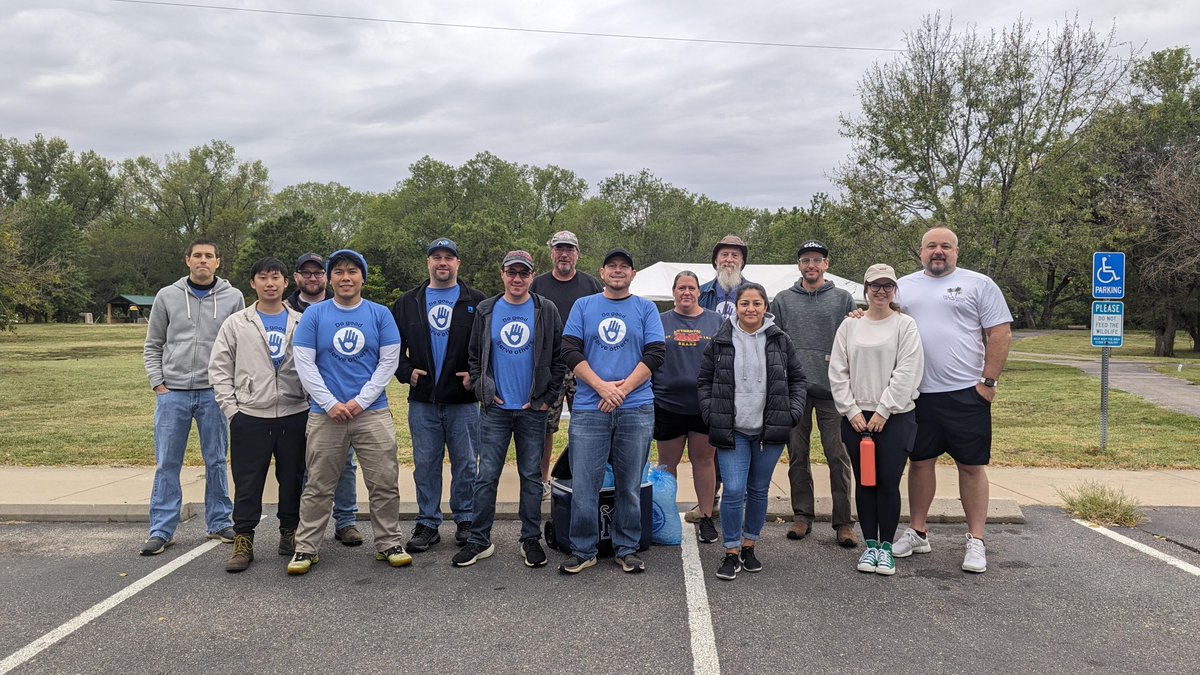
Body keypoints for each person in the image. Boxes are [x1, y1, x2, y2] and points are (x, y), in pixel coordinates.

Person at [892, 227, 1013, 574]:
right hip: (918, 393)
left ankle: (976, 539)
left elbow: (1000, 332)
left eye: (946, 246)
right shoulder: (904, 286)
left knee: (971, 466)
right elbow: (882, 316)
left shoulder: (979, 284)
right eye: (931, 246)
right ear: (921, 252)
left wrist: (988, 381)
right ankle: (918, 531)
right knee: (920, 462)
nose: (938, 251)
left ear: (957, 252)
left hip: (966, 392)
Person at [288, 249, 410, 575]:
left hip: (372, 412)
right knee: (318, 485)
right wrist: (330, 402)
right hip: (325, 414)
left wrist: (360, 401)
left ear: (362, 278)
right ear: (330, 278)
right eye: (338, 271)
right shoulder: (314, 316)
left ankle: (389, 543)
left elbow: (388, 362)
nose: (345, 277)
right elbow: (304, 362)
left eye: (352, 271)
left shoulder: (380, 314)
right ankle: (306, 548)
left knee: (384, 482)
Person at [558, 248, 665, 575]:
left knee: (629, 483)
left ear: (633, 275)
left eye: (625, 267)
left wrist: (621, 390)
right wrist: (602, 387)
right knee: (585, 484)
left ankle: (627, 547)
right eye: (612, 266)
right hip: (591, 408)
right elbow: (569, 350)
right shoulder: (584, 306)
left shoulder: (646, 308)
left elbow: (656, 354)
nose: (618, 271)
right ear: (602, 273)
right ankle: (583, 549)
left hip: (635, 408)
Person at [459, 251, 566, 568]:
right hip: (496, 410)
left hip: (532, 409)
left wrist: (545, 398)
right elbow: (475, 356)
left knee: (531, 477)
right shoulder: (486, 310)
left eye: (524, 273)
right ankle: (479, 540)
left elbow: (559, 359)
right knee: (486, 476)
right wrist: (484, 391)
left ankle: (529, 539)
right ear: (502, 274)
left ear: (532, 276)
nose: (517, 278)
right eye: (511, 272)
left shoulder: (545, 310)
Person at [140, 239, 244, 555]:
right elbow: (153, 343)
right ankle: (161, 529)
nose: (202, 260)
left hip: (214, 393)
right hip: (173, 394)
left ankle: (219, 522)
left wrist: (230, 387)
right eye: (197, 255)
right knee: (168, 463)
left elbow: (241, 344)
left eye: (208, 256)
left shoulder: (233, 297)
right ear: (187, 260)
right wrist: (158, 383)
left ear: (217, 262)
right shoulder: (167, 296)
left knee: (215, 460)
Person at [698, 283, 806, 581]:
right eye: (745, 303)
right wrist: (711, 413)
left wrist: (791, 413)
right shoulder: (721, 339)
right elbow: (704, 380)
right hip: (733, 429)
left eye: (757, 303)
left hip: (769, 429)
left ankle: (749, 545)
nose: (750, 309)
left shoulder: (780, 340)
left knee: (758, 490)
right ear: (737, 306)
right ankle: (731, 551)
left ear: (765, 307)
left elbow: (798, 380)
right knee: (733, 490)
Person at [209, 257, 309, 572]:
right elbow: (219, 368)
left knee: (292, 479)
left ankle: (289, 533)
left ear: (286, 283)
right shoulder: (237, 322)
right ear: (253, 283)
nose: (269, 283)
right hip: (250, 415)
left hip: (295, 412)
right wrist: (232, 410)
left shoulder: (301, 320)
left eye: (275, 277)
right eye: (263, 278)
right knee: (248, 481)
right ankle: (244, 540)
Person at [828, 264, 924, 576]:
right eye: (874, 285)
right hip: (856, 418)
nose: (880, 291)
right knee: (865, 482)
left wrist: (884, 410)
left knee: (887, 483)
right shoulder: (850, 326)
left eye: (887, 285)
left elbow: (908, 369)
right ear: (866, 288)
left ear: (894, 290)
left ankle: (887, 548)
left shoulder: (905, 325)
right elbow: (838, 371)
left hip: (895, 417)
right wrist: (852, 410)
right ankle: (870, 547)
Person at [394, 238, 485, 552]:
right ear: (428, 263)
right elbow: (392, 349)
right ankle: (428, 522)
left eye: (449, 257)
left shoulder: (477, 301)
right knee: (426, 464)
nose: (442, 263)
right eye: (437, 257)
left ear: (458, 263)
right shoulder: (409, 301)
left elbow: (489, 349)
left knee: (466, 464)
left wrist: (476, 376)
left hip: (463, 401)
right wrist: (406, 372)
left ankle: (465, 519)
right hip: (423, 400)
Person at [769, 240, 858, 546]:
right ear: (799, 266)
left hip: (834, 391)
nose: (811, 265)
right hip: (796, 391)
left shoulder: (843, 299)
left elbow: (855, 342)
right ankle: (802, 516)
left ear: (826, 264)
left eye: (817, 260)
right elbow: (773, 344)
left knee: (838, 456)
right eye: (806, 260)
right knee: (797, 456)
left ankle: (843, 522)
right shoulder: (782, 300)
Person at [288, 252, 363, 548]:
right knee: (306, 466)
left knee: (345, 463)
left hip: (337, 403)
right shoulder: (286, 309)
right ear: (296, 278)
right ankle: (300, 527)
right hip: (295, 399)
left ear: (327, 277)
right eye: (306, 273)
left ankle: (345, 522)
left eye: (318, 273)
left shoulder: (342, 308)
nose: (312, 278)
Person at [530, 230, 603, 498]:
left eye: (569, 249)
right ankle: (542, 481)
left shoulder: (592, 285)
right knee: (545, 425)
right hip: (549, 366)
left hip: (583, 365)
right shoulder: (537, 285)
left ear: (577, 254)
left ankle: (585, 478)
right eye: (559, 249)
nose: (564, 254)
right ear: (551, 253)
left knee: (586, 423)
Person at [653, 271, 723, 544]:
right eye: (681, 287)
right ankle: (666, 517)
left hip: (704, 405)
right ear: (673, 292)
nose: (686, 292)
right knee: (666, 465)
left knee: (703, 462)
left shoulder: (716, 321)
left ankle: (706, 516)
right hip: (667, 404)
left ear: (698, 292)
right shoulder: (659, 321)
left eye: (691, 288)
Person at [698, 234, 752, 319]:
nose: (729, 260)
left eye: (735, 255)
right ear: (716, 260)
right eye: (724, 254)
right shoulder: (701, 293)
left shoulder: (754, 293)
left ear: (742, 261)